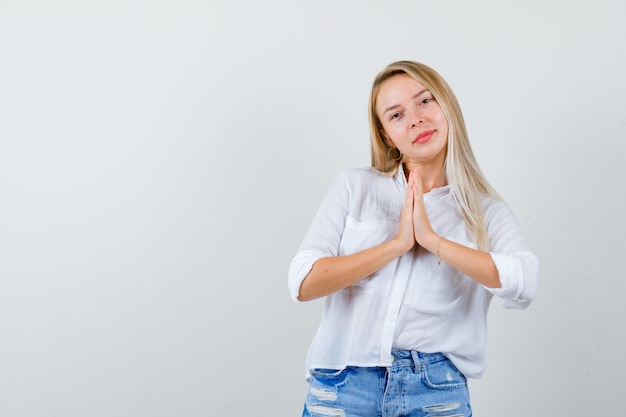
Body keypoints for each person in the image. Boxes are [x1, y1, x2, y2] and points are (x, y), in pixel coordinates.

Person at [288, 60, 538, 417]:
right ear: (387, 135)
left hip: (435, 394)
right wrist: (396, 245)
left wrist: (434, 241)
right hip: (343, 390)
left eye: (425, 101)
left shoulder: (486, 213)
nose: (416, 119)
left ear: (446, 106)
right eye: (396, 115)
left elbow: (524, 284)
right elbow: (301, 282)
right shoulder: (355, 188)